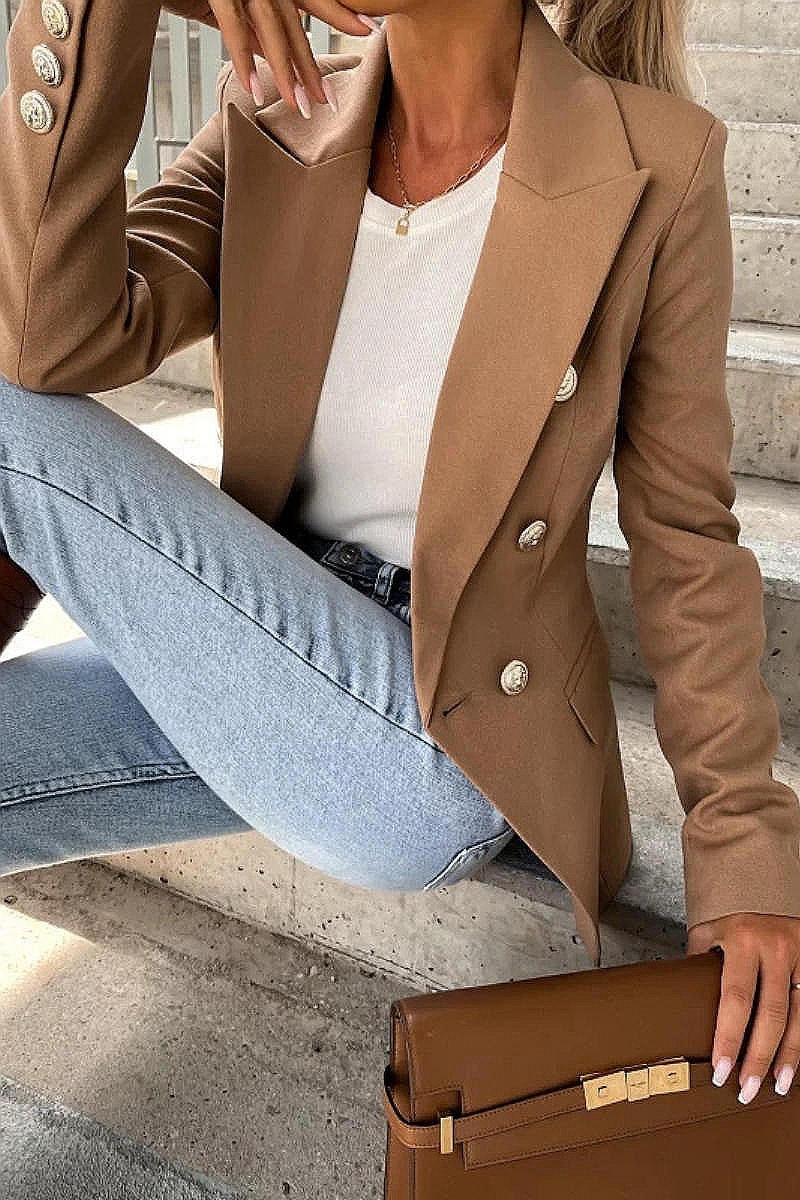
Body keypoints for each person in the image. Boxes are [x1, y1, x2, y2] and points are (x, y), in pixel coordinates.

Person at [1, 0, 800, 1114]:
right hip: (268, 649)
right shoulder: (274, 115)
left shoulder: (653, 161)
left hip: (445, 735)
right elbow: (54, 340)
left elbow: (683, 534)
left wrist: (741, 842)